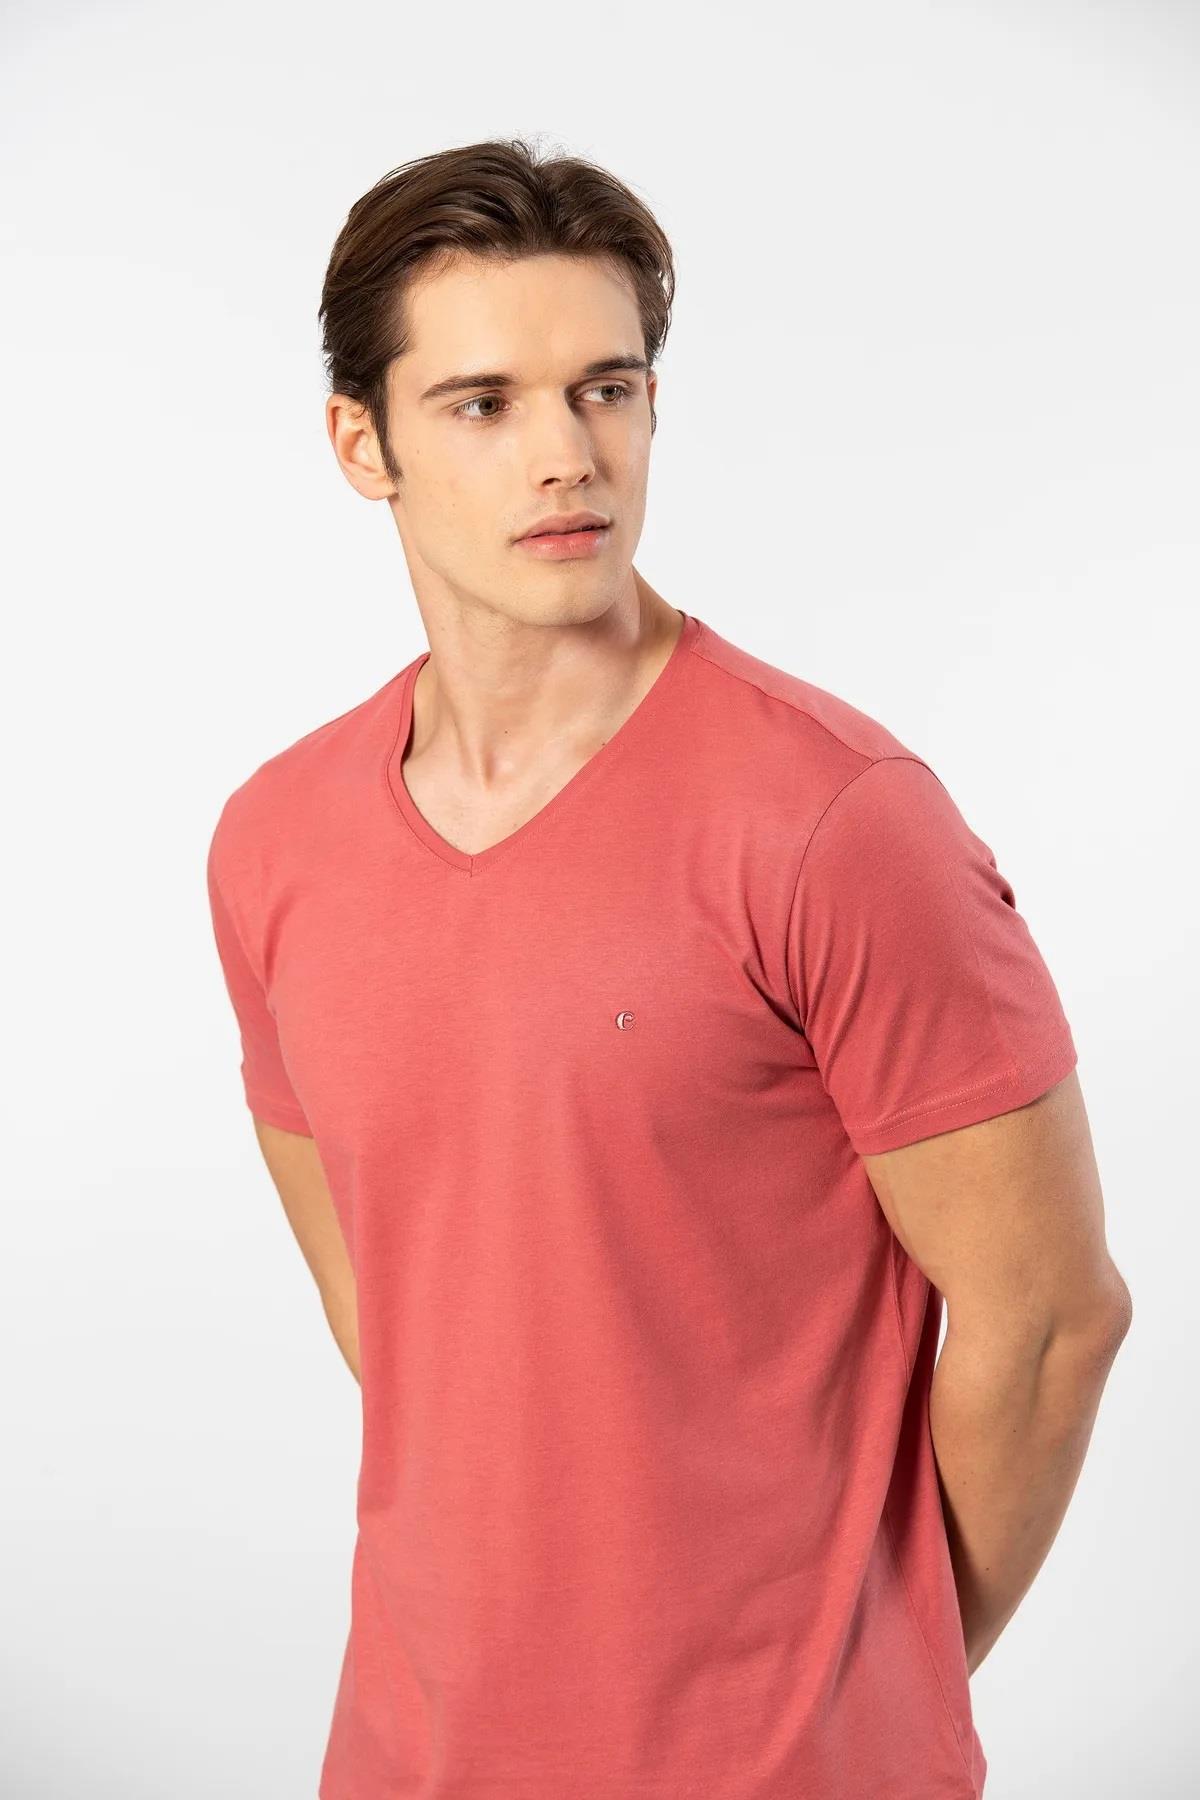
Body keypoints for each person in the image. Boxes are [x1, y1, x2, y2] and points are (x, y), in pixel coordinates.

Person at [205, 137, 1131, 1800]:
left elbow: (1053, 1322)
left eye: (607, 389)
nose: (568, 454)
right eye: (484, 404)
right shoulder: (274, 842)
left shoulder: (837, 822)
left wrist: (869, 1671)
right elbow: (400, 1318)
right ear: (362, 443)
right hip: (411, 1753)